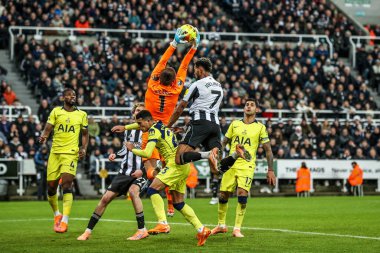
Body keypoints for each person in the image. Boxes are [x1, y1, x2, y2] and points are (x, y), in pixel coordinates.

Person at [112, 28, 200, 217]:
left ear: (159, 77)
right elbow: (184, 67)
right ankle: (170, 205)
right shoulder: (177, 89)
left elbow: (162, 62)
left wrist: (174, 44)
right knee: (172, 167)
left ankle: (156, 181)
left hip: (150, 132)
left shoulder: (152, 86)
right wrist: (193, 48)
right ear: (174, 80)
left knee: (150, 169)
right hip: (167, 133)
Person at [124, 110, 211, 246]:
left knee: (152, 190)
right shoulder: (160, 125)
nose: (140, 128)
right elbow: (141, 125)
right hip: (183, 165)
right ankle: (202, 229)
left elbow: (147, 152)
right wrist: (125, 127)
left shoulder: (153, 131)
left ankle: (163, 223)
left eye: (141, 124)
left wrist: (131, 149)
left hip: (174, 164)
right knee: (178, 203)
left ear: (148, 121)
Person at [77, 103, 149, 241]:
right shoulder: (128, 130)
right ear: (133, 113)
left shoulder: (149, 131)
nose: (138, 113)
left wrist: (143, 170)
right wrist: (116, 155)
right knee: (105, 199)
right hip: (124, 172)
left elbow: (155, 154)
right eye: (137, 110)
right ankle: (87, 231)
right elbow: (125, 148)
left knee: (133, 192)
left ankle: (142, 230)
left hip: (142, 171)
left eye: (141, 111)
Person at [210, 98, 276, 238]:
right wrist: (219, 157)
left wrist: (270, 170)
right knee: (223, 195)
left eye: (252, 105)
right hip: (231, 164)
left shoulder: (260, 127)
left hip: (247, 165)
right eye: (247, 104)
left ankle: (237, 228)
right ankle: (221, 225)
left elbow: (268, 150)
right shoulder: (235, 124)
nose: (248, 106)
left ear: (256, 110)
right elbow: (224, 142)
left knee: (242, 194)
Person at [39, 88, 89, 233]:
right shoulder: (56, 112)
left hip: (71, 154)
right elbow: (48, 128)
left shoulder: (82, 114)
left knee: (67, 184)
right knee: (51, 188)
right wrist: (44, 136)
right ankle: (57, 214)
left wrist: (83, 148)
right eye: (69, 95)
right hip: (55, 153)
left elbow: (85, 134)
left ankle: (65, 221)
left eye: (74, 95)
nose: (72, 96)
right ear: (63, 98)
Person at [167, 57, 223, 174]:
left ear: (200, 69)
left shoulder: (196, 84)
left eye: (195, 69)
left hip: (200, 122)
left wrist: (168, 125)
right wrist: (185, 129)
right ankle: (234, 155)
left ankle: (207, 154)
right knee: (215, 170)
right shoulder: (219, 86)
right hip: (215, 126)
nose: (194, 72)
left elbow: (180, 108)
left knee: (179, 158)